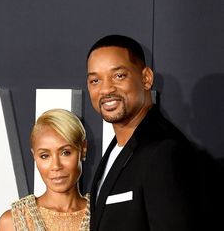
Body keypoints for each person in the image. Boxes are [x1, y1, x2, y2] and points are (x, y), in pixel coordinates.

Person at [86, 34, 222, 231]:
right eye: (95, 80)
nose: (106, 89)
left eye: (119, 75)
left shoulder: (162, 152)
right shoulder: (117, 148)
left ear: (146, 78)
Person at [0, 109, 90, 231]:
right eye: (44, 156)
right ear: (34, 156)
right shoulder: (13, 221)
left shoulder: (102, 214)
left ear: (83, 150)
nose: (56, 166)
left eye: (65, 152)